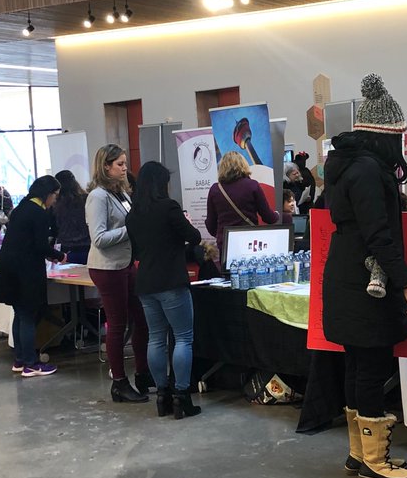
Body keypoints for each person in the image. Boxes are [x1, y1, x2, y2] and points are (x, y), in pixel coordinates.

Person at [322, 73, 407, 478]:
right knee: (371, 366)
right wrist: (406, 283)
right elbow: (379, 234)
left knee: (357, 363)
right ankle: (375, 461)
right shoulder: (367, 170)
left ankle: (360, 452)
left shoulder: (346, 165)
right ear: (386, 136)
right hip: (364, 281)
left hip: (345, 272)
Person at [127, 161, 203, 419]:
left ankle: (162, 396)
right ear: (162, 183)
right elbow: (194, 237)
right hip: (171, 281)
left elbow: (136, 252)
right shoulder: (169, 207)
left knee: (156, 338)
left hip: (146, 283)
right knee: (183, 338)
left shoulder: (133, 215)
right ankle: (182, 396)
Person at [86, 144, 151, 403]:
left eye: (125, 163)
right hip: (107, 267)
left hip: (126, 263)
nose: (125, 168)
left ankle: (143, 373)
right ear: (106, 166)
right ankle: (120, 382)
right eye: (120, 164)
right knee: (117, 324)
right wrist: (131, 229)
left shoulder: (121, 193)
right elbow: (99, 238)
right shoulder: (98, 197)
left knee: (142, 319)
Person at [0, 175, 65, 377]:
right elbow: (41, 245)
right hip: (24, 270)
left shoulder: (20, 209)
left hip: (7, 267)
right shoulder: (38, 213)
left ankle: (20, 359)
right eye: (55, 195)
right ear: (48, 194)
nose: (55, 200)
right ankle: (31, 364)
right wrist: (59, 255)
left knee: (20, 314)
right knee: (27, 316)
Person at [204, 151, 279, 260]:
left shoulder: (215, 189)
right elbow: (268, 217)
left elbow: (210, 224)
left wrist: (221, 233)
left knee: (228, 270)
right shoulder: (252, 185)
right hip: (249, 241)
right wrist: (277, 215)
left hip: (226, 242)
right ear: (243, 165)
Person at [52, 170, 91, 265]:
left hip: (65, 250)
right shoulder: (87, 199)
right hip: (87, 247)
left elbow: (54, 229)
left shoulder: (55, 204)